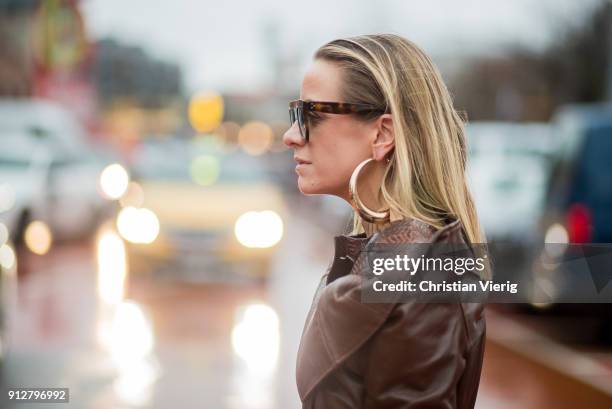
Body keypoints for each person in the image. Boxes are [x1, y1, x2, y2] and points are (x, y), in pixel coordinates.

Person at [282, 34, 488, 409]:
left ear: (382, 134)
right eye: (296, 114)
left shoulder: (418, 278)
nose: (291, 136)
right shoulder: (394, 258)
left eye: (312, 114)